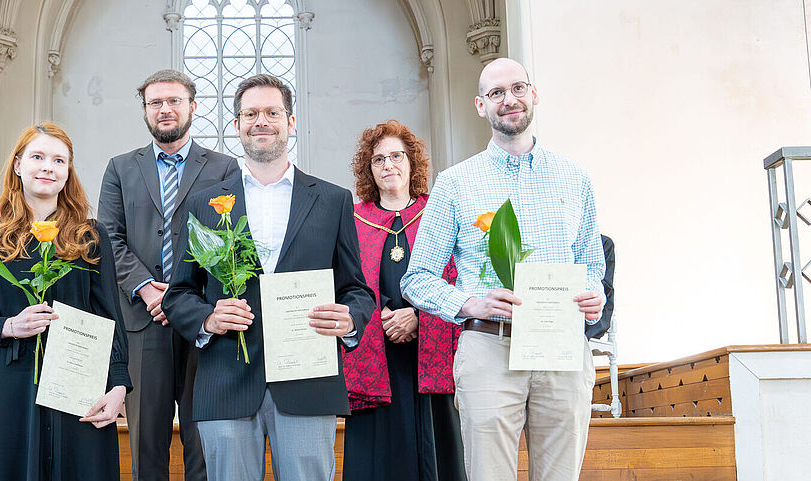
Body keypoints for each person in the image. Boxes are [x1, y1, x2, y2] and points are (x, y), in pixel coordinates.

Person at [401, 58, 606, 481]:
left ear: (534, 95)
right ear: (481, 105)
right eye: (496, 93)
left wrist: (595, 294)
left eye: (518, 88)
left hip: (561, 351)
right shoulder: (456, 183)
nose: (509, 99)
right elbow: (416, 277)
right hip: (490, 347)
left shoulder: (575, 178)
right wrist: (469, 301)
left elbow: (591, 265)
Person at [162, 74, 374, 481]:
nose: (262, 121)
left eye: (272, 112)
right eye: (251, 114)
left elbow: (356, 289)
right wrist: (207, 319)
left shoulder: (332, 200)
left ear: (290, 122)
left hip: (307, 380)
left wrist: (350, 319)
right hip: (226, 380)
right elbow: (179, 293)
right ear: (237, 125)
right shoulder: (203, 202)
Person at [0, 123, 131, 481]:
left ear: (67, 173)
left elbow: (110, 317)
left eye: (59, 160)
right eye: (38, 157)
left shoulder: (90, 237)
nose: (48, 167)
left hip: (81, 383)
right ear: (18, 165)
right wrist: (8, 325)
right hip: (12, 384)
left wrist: (120, 385)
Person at [97, 69, 239, 481]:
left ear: (192, 107)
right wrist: (147, 290)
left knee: (203, 441)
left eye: (173, 101)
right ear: (144, 111)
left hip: (203, 323)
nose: (165, 109)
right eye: (155, 102)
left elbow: (230, 240)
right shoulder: (121, 168)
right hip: (144, 322)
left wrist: (183, 298)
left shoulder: (225, 167)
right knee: (146, 442)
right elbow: (110, 239)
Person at [341, 120, 467, 481]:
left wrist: (418, 316)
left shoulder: (438, 212)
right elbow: (346, 278)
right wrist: (378, 314)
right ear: (369, 169)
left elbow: (455, 275)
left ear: (412, 163)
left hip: (430, 348)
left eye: (396, 156)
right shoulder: (354, 219)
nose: (388, 166)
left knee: (436, 445)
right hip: (376, 347)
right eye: (378, 160)